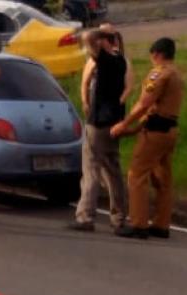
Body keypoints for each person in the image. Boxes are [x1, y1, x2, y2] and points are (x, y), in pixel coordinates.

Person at [110, 37, 184, 240]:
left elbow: (144, 104)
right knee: (162, 179)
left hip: (154, 133)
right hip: (170, 131)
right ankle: (161, 224)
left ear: (157, 54)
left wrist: (124, 124)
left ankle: (139, 224)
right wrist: (134, 129)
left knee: (137, 175)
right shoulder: (177, 74)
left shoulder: (159, 74)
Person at [69, 23, 134, 232]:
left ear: (106, 41)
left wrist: (101, 33)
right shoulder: (122, 61)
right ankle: (119, 218)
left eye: (102, 39)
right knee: (113, 171)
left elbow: (87, 37)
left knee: (91, 169)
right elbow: (127, 89)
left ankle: (85, 216)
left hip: (97, 122)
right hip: (114, 121)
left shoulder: (104, 60)